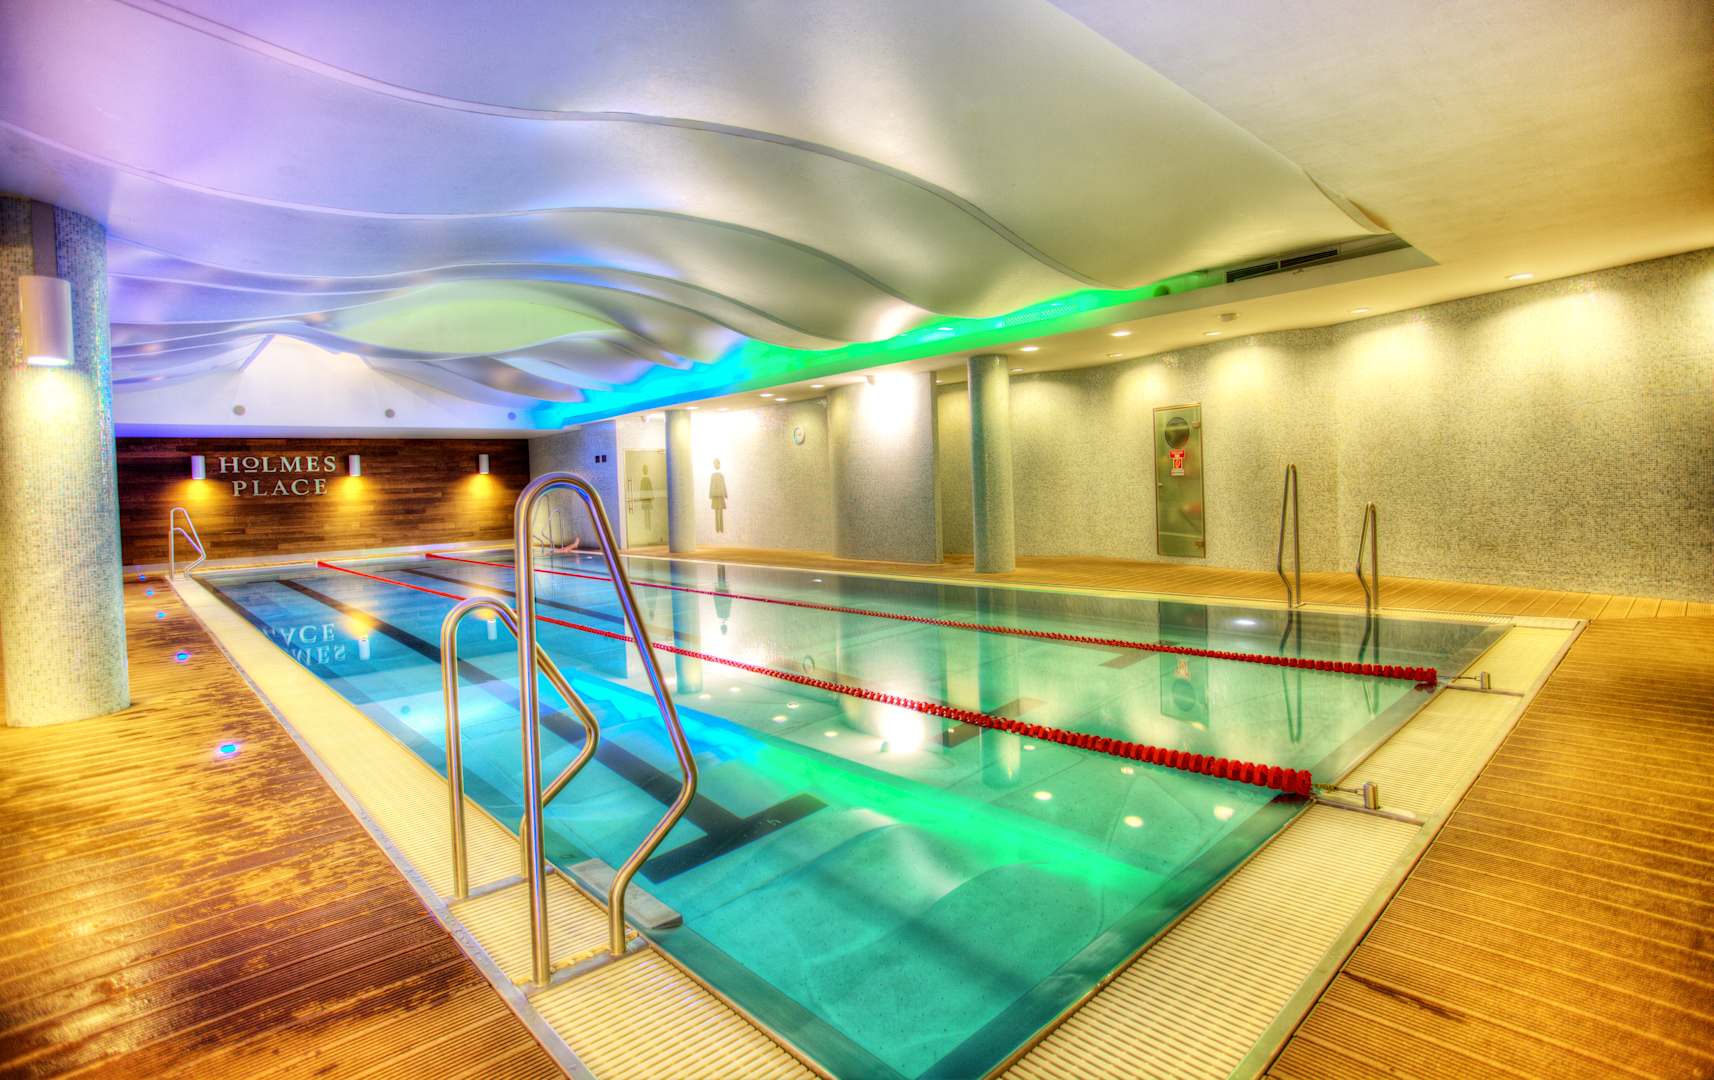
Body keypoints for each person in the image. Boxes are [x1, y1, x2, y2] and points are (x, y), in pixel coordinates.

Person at [708, 458, 729, 533]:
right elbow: (711, 485)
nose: (716, 465)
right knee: (717, 512)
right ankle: (718, 529)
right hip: (716, 495)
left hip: (719, 495)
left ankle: (721, 529)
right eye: (715, 464)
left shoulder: (720, 475)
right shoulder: (714, 475)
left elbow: (723, 484)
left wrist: (725, 494)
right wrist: (710, 494)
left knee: (720, 512)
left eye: (717, 463)